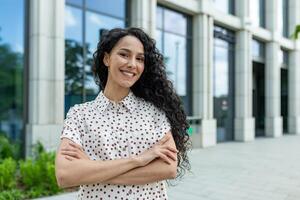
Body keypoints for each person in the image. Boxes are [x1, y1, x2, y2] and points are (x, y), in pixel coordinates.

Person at [55, 27, 191, 200]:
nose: (132, 64)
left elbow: (168, 169)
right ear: (106, 58)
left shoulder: (155, 112)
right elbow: (65, 175)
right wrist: (139, 160)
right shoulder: (79, 114)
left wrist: (92, 168)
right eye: (124, 54)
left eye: (139, 58)